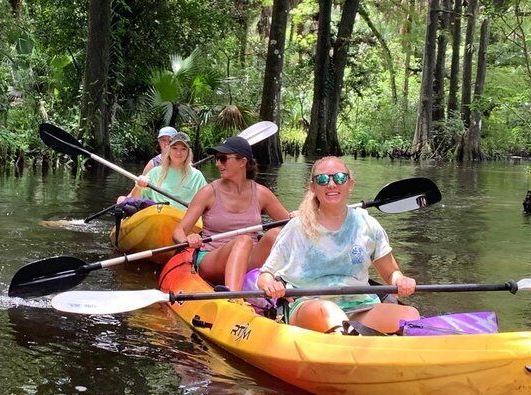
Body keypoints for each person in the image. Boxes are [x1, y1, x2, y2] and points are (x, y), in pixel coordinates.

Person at [257, 156, 417, 334]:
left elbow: (391, 273)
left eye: (339, 178)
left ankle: (353, 336)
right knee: (328, 312)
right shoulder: (297, 227)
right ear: (313, 187)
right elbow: (265, 275)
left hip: (360, 306)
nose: (331, 184)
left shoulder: (367, 224)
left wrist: (400, 280)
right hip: (309, 305)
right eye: (323, 179)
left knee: (410, 315)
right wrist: (270, 284)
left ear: (350, 184)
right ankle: (349, 337)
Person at [173, 135, 289, 290]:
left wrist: (298, 217)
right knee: (244, 241)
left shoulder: (262, 194)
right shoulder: (208, 193)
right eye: (216, 158)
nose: (217, 164)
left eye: (223, 158)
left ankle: (288, 284)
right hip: (212, 258)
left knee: (275, 234)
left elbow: (291, 226)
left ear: (242, 162)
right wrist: (187, 240)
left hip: (250, 259)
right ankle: (233, 296)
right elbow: (179, 231)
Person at [126, 130, 207, 206]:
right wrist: (139, 186)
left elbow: (207, 201)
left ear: (188, 152)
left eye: (183, 149)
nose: (178, 153)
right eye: (174, 148)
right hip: (158, 216)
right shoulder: (155, 172)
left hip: (183, 218)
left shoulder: (197, 176)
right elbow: (134, 199)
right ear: (169, 149)